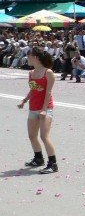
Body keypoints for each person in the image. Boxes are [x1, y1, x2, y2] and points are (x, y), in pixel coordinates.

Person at [19, 46, 58, 174]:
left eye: (28, 56)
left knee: (44, 136)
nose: (27, 58)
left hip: (45, 108)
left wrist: (44, 109)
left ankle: (53, 164)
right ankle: (38, 158)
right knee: (32, 136)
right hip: (33, 107)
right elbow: (33, 89)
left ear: (35, 57)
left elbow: (48, 92)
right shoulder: (31, 73)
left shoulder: (48, 72)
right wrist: (24, 100)